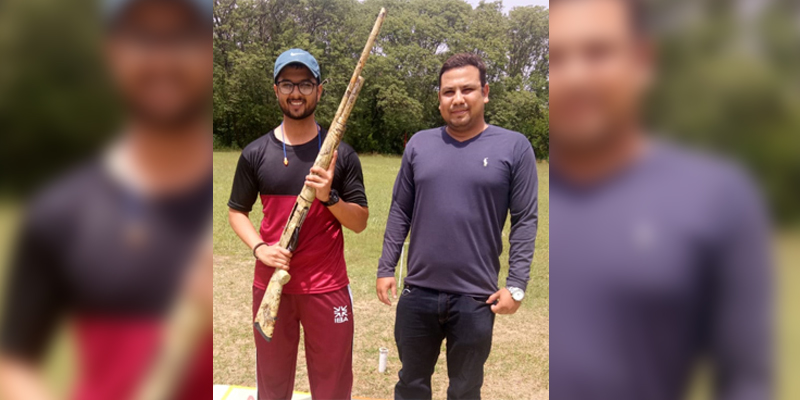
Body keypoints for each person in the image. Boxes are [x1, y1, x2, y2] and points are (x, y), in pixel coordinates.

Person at [0, 0, 214, 399]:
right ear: (110, 55)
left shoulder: (229, 200)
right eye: (142, 38)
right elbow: (14, 360)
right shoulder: (60, 210)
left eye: (181, 37)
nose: (161, 58)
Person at [549, 0, 771, 399]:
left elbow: (745, 380)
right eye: (556, 58)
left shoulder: (717, 197)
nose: (575, 76)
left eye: (598, 52)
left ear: (642, 60)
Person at [376, 53, 539, 400]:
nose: (458, 98)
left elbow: (525, 219)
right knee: (411, 385)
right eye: (448, 91)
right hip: (418, 293)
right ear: (439, 98)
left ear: (485, 92)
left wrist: (517, 285)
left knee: (466, 390)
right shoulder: (419, 144)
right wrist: (386, 266)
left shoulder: (513, 146)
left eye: (467, 89)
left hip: (476, 297)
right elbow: (399, 210)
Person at [227, 48, 369, 400]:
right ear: (275, 90)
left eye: (305, 83)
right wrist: (260, 248)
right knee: (272, 386)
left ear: (320, 90)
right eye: (287, 84)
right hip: (271, 285)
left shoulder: (341, 155)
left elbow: (360, 222)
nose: (296, 92)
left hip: (327, 287)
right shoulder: (255, 153)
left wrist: (329, 197)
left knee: (333, 387)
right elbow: (236, 212)